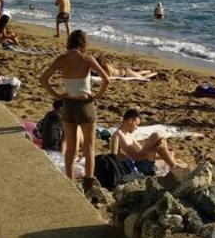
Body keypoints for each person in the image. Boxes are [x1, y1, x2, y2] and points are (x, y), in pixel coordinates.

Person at [39, 30, 111, 180]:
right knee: (89, 147)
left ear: (69, 42)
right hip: (85, 104)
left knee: (70, 148)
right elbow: (106, 79)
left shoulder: (62, 59)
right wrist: (97, 95)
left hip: (68, 105)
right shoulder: (87, 58)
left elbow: (44, 79)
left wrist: (57, 95)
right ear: (83, 43)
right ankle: (89, 180)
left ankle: (69, 179)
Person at [109, 108, 186, 172]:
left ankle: (172, 164)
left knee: (160, 140)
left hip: (142, 163)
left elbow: (141, 152)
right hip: (137, 167)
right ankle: (173, 164)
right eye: (137, 124)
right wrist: (154, 149)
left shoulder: (128, 135)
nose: (137, 128)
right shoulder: (119, 135)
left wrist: (164, 155)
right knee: (156, 135)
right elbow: (135, 157)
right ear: (130, 121)